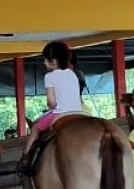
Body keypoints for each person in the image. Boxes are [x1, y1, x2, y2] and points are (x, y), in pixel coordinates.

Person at [20, 41, 87, 171]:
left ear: (54, 61)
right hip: (78, 112)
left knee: (35, 128)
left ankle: (27, 157)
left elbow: (51, 102)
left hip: (60, 112)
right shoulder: (72, 74)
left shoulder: (49, 76)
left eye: (46, 60)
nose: (44, 63)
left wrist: (51, 106)